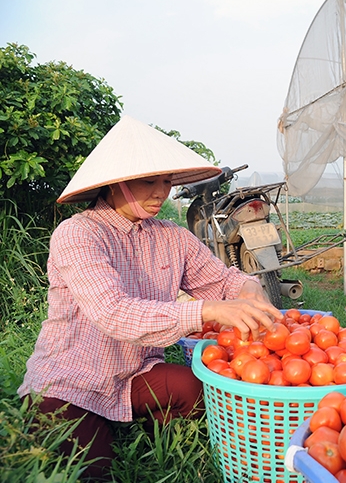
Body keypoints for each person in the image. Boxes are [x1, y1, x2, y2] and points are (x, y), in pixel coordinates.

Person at [17, 115, 281, 481]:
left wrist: (246, 287)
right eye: (148, 181)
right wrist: (209, 310)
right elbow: (114, 313)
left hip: (134, 374)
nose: (161, 192)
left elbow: (221, 280)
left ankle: (128, 418)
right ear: (116, 183)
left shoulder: (170, 236)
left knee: (200, 392)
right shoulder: (77, 234)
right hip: (71, 381)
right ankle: (99, 426)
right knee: (96, 470)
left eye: (167, 181)